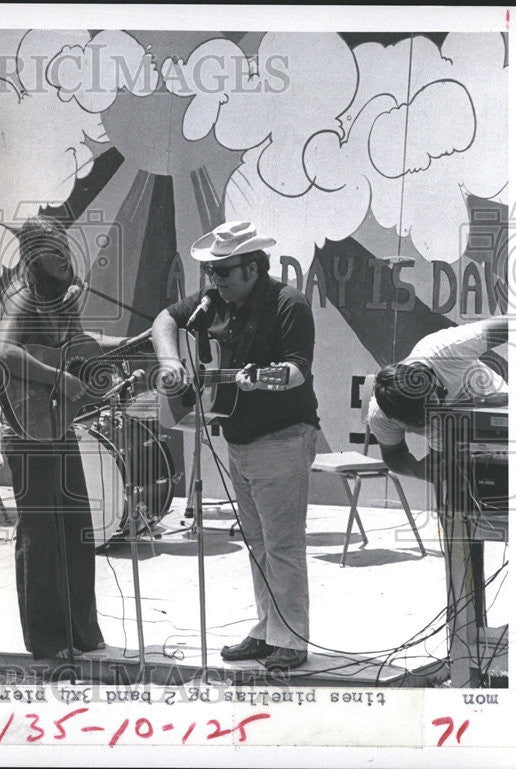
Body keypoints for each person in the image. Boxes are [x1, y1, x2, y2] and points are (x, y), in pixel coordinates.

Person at [151, 221, 320, 672]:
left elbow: (298, 369)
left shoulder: (289, 304)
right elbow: (165, 319)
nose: (214, 282)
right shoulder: (215, 302)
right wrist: (170, 363)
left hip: (283, 436)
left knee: (282, 544)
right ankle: (268, 629)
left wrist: (266, 378)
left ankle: (292, 638)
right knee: (259, 543)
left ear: (251, 268)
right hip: (240, 437)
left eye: (222, 273)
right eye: (210, 273)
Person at [0, 215, 127, 660]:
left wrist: (136, 342)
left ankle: (80, 632)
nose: (64, 257)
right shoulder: (25, 299)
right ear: (35, 258)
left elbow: (79, 344)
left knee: (75, 528)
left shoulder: (63, 301)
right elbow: (6, 353)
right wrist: (60, 379)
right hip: (25, 429)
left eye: (64, 249)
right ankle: (49, 641)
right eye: (54, 251)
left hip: (55, 425)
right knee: (40, 533)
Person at [368, 318, 508, 480]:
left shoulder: (447, 349)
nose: (434, 421)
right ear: (395, 419)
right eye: (422, 424)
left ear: (431, 385)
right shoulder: (380, 415)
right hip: (451, 448)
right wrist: (417, 469)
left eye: (433, 407)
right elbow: (393, 455)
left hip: (499, 422)